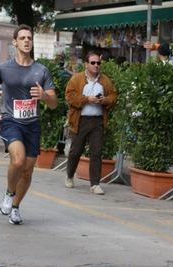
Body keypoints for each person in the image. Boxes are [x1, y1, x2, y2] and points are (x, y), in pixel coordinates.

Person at [0, 24, 57, 225]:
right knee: (18, 161)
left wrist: (43, 96)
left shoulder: (41, 70)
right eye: (23, 38)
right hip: (10, 121)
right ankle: (9, 193)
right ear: (15, 42)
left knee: (27, 170)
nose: (27, 41)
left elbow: (53, 103)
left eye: (29, 38)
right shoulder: (2, 69)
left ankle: (15, 207)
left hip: (32, 125)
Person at [64, 51, 117, 195]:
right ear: (86, 64)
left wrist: (105, 100)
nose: (96, 65)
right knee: (75, 151)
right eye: (93, 63)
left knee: (96, 153)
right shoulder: (77, 79)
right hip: (80, 120)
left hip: (98, 121)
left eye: (98, 63)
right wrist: (87, 99)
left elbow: (113, 95)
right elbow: (69, 95)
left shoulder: (105, 80)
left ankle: (95, 184)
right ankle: (69, 176)